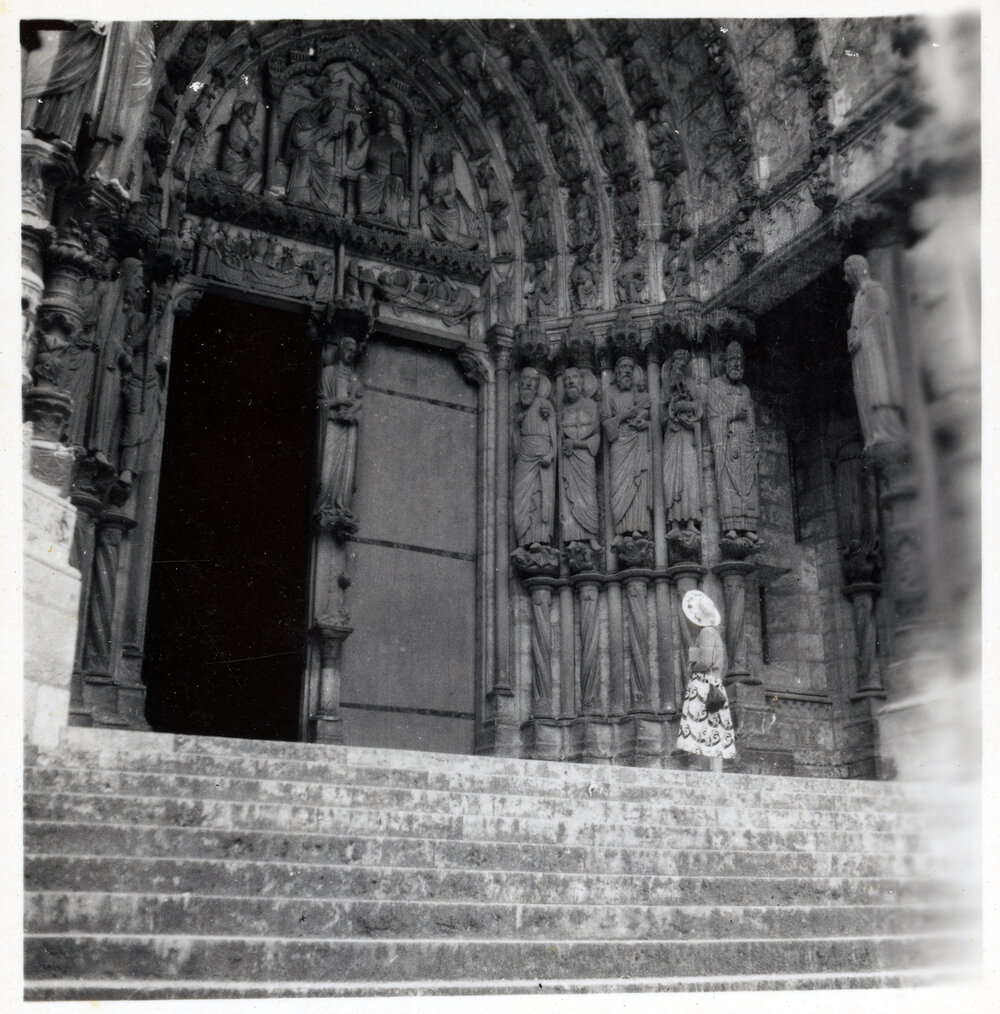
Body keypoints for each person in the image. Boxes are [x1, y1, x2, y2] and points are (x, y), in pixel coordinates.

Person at [844, 254, 907, 455]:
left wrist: (860, 338)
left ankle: (886, 431)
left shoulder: (873, 291)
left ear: (855, 270)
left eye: (847, 273)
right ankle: (874, 434)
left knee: (878, 390)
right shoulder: (858, 297)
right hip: (863, 358)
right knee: (867, 394)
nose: (845, 279)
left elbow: (880, 321)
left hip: (875, 356)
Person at [676, 589, 735, 771]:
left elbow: (706, 661)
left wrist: (692, 665)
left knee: (702, 728)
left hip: (704, 685)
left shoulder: (706, 633)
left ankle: (706, 772)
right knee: (713, 728)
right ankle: (714, 772)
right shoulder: (712, 632)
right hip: (713, 684)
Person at [705, 342, 759, 541]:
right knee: (729, 482)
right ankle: (731, 527)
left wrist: (755, 446)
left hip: (745, 441)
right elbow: (713, 418)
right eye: (733, 361)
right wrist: (733, 415)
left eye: (739, 361)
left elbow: (751, 418)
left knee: (748, 482)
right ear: (725, 363)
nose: (736, 365)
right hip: (726, 442)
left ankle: (749, 526)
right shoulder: (715, 386)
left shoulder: (745, 390)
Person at [601, 356, 651, 537]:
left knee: (639, 482)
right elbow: (606, 423)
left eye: (631, 367)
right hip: (619, 443)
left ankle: (639, 528)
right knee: (619, 484)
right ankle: (620, 532)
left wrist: (644, 424)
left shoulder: (638, 394)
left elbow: (649, 418)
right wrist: (623, 416)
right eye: (623, 367)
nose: (627, 371)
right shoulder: (609, 394)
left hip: (637, 441)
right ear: (616, 371)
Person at [512, 366, 556, 547]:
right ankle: (523, 539)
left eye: (533, 380)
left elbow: (554, 436)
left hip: (542, 460)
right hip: (524, 459)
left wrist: (550, 455)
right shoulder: (516, 409)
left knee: (540, 497)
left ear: (538, 386)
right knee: (521, 498)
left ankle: (539, 540)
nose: (528, 383)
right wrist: (516, 425)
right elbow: (513, 443)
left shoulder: (546, 406)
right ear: (519, 383)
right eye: (525, 379)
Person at [558, 367, 601, 552]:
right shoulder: (562, 410)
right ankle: (572, 538)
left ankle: (591, 536)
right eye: (566, 379)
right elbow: (558, 437)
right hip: (568, 459)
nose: (570, 381)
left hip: (584, 457)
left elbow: (596, 436)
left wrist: (576, 444)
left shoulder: (591, 405)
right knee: (569, 496)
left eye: (574, 377)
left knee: (588, 495)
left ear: (582, 383)